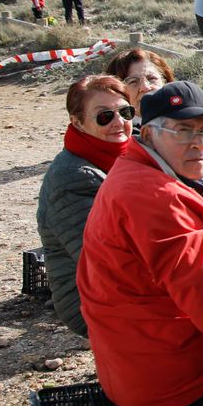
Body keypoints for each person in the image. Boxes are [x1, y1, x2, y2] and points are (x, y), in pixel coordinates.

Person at [76, 81, 203, 406]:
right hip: (179, 385)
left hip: (139, 365)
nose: (198, 144)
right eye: (183, 130)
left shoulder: (137, 172)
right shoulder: (157, 198)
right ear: (147, 135)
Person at [35, 75, 133, 337]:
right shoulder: (74, 177)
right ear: (77, 123)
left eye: (125, 112)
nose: (119, 123)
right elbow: (105, 262)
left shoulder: (122, 156)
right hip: (86, 298)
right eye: (104, 116)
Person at [105, 47, 176, 121]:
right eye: (133, 81)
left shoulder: (185, 123)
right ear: (117, 92)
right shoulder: (118, 131)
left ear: (166, 82)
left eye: (151, 78)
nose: (145, 87)